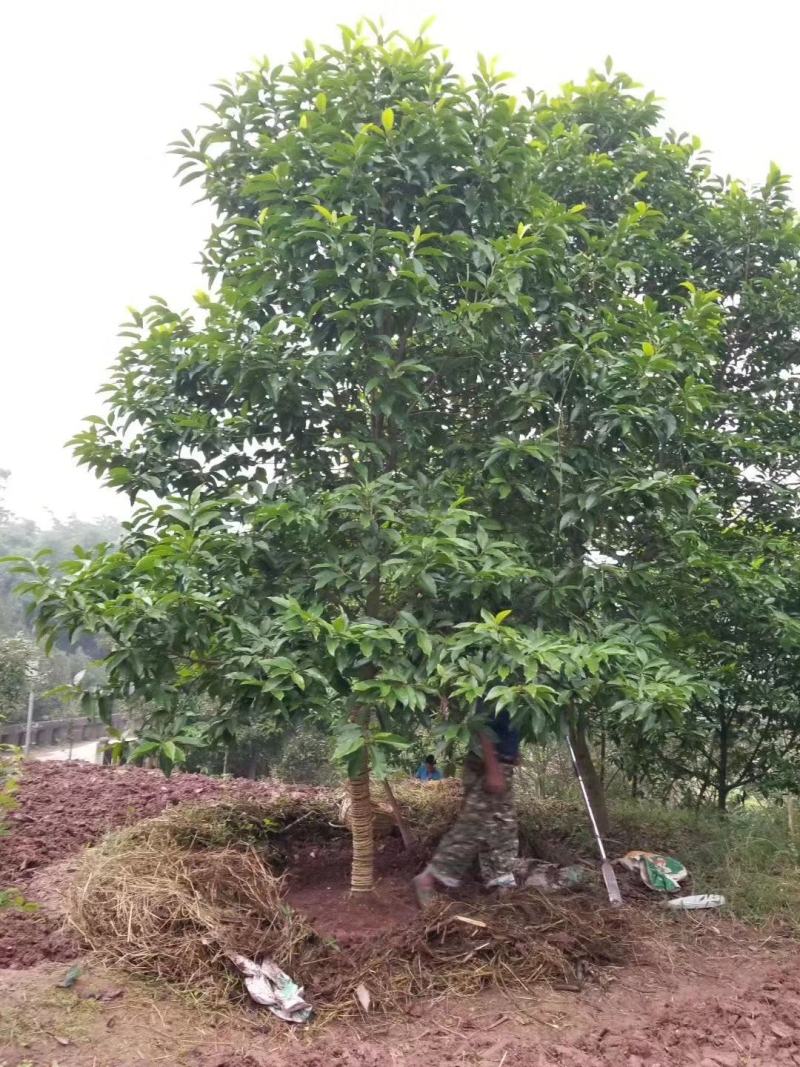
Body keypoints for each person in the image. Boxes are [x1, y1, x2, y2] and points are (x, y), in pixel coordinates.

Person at [412, 706, 519, 907]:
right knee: (473, 826)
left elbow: (507, 728)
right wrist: (493, 768)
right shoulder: (499, 682)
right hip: (490, 763)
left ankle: (500, 881)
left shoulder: (517, 686)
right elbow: (483, 725)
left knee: (502, 825)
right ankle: (429, 879)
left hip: (500, 762)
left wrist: (513, 753)